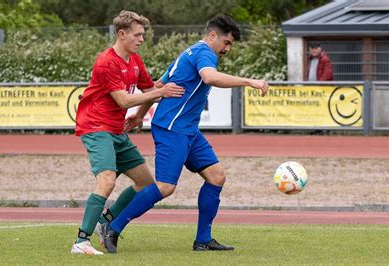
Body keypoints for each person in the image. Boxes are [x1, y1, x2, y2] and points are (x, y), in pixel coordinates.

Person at [101, 15, 269, 253]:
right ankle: (113, 226)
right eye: (226, 42)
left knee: (216, 176)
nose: (227, 49)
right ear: (212, 36)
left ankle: (203, 239)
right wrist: (249, 81)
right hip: (173, 128)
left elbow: (157, 86)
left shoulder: (188, 53)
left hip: (187, 129)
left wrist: (140, 115)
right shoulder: (205, 54)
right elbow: (209, 77)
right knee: (165, 187)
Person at [70, 10, 184, 255]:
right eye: (138, 34)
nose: (142, 39)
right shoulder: (106, 61)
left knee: (146, 183)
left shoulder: (134, 60)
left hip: (117, 129)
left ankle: (106, 221)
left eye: (143, 34)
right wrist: (159, 93)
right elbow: (123, 101)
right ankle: (81, 242)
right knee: (107, 180)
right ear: (122, 34)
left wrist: (142, 114)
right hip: (95, 127)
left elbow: (151, 88)